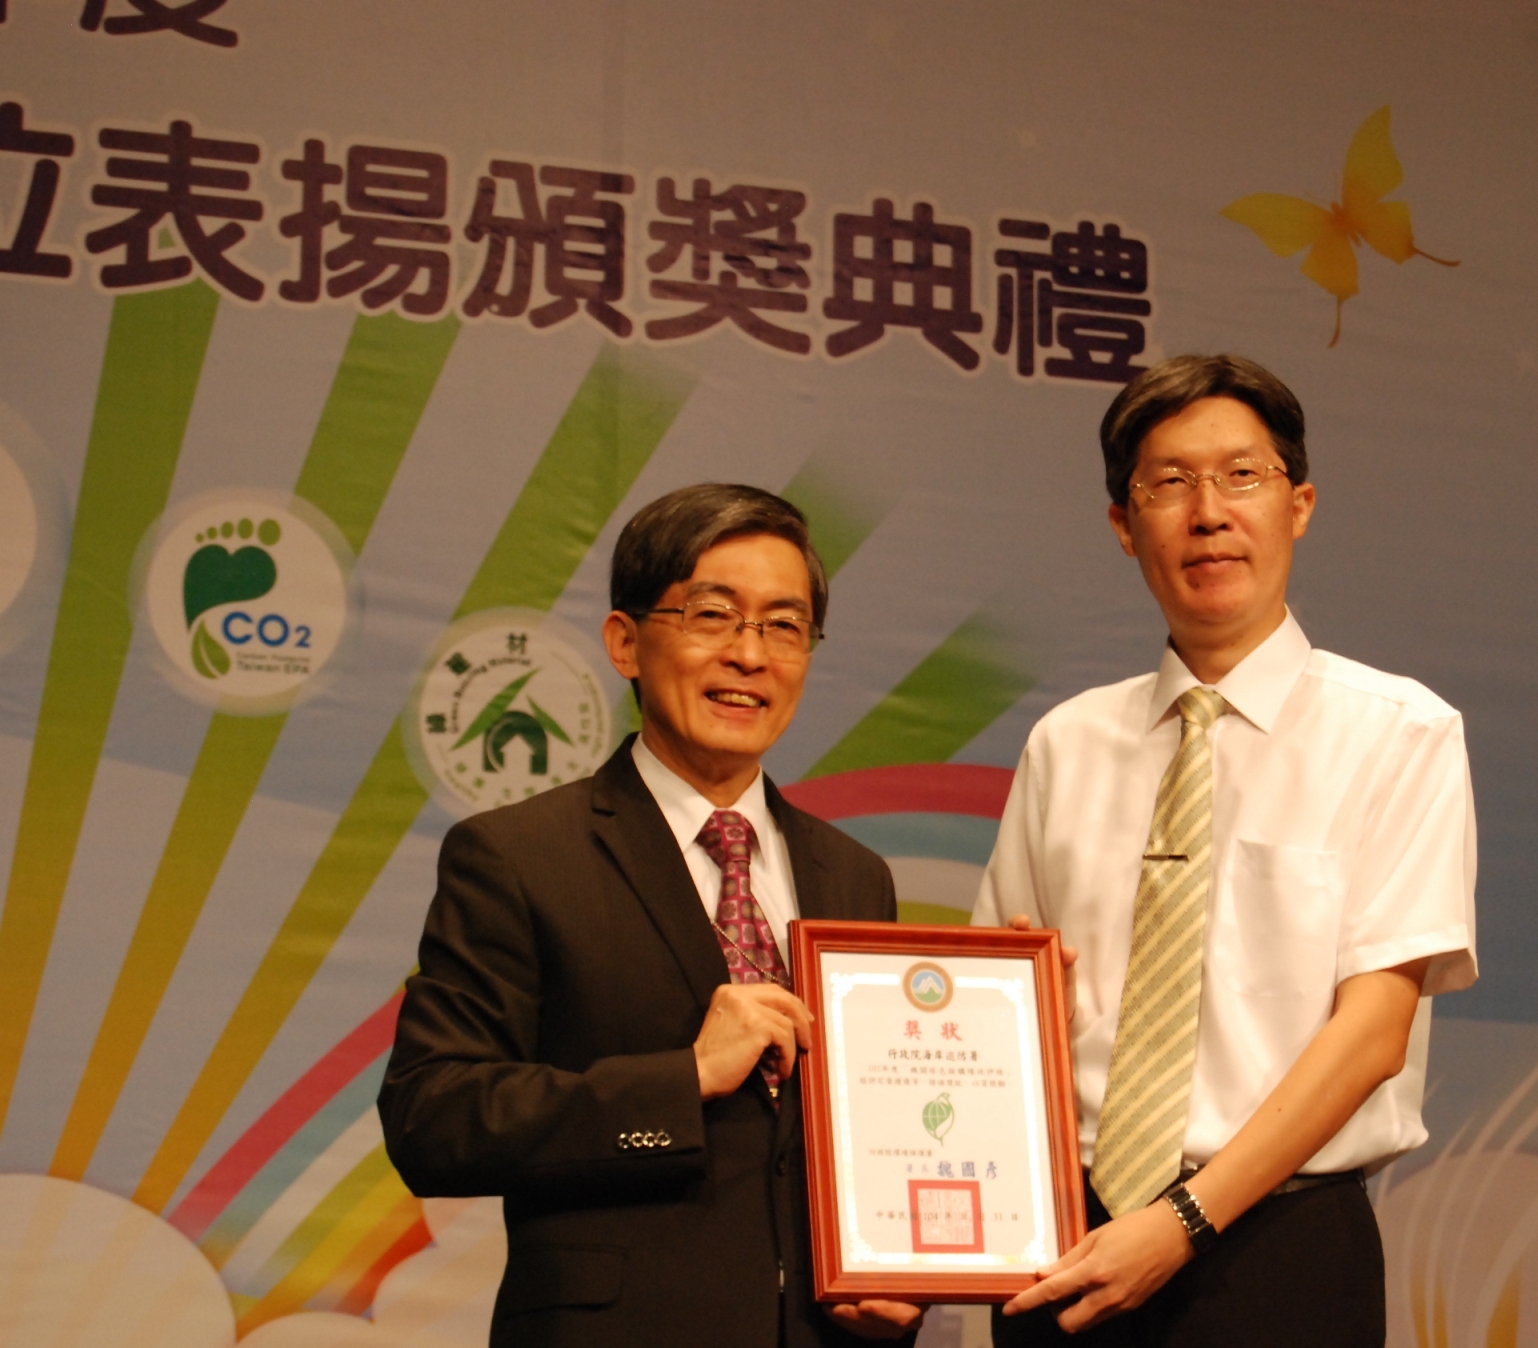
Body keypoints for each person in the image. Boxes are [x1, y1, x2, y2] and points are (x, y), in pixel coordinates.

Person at [973, 355, 1477, 1345]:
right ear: (1124, 525)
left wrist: (1181, 1223)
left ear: (1299, 505)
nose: (1207, 513)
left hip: (1279, 1247)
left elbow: (1374, 1032)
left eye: (1241, 476)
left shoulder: (1399, 732)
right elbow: (998, 1008)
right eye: (1168, 483)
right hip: (1066, 1244)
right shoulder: (1067, 742)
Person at [380, 484, 922, 1347]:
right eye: (713, 616)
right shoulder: (520, 856)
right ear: (625, 642)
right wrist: (685, 1078)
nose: (750, 654)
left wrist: (896, 1272)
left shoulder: (854, 877)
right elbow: (432, 1118)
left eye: (784, 626)